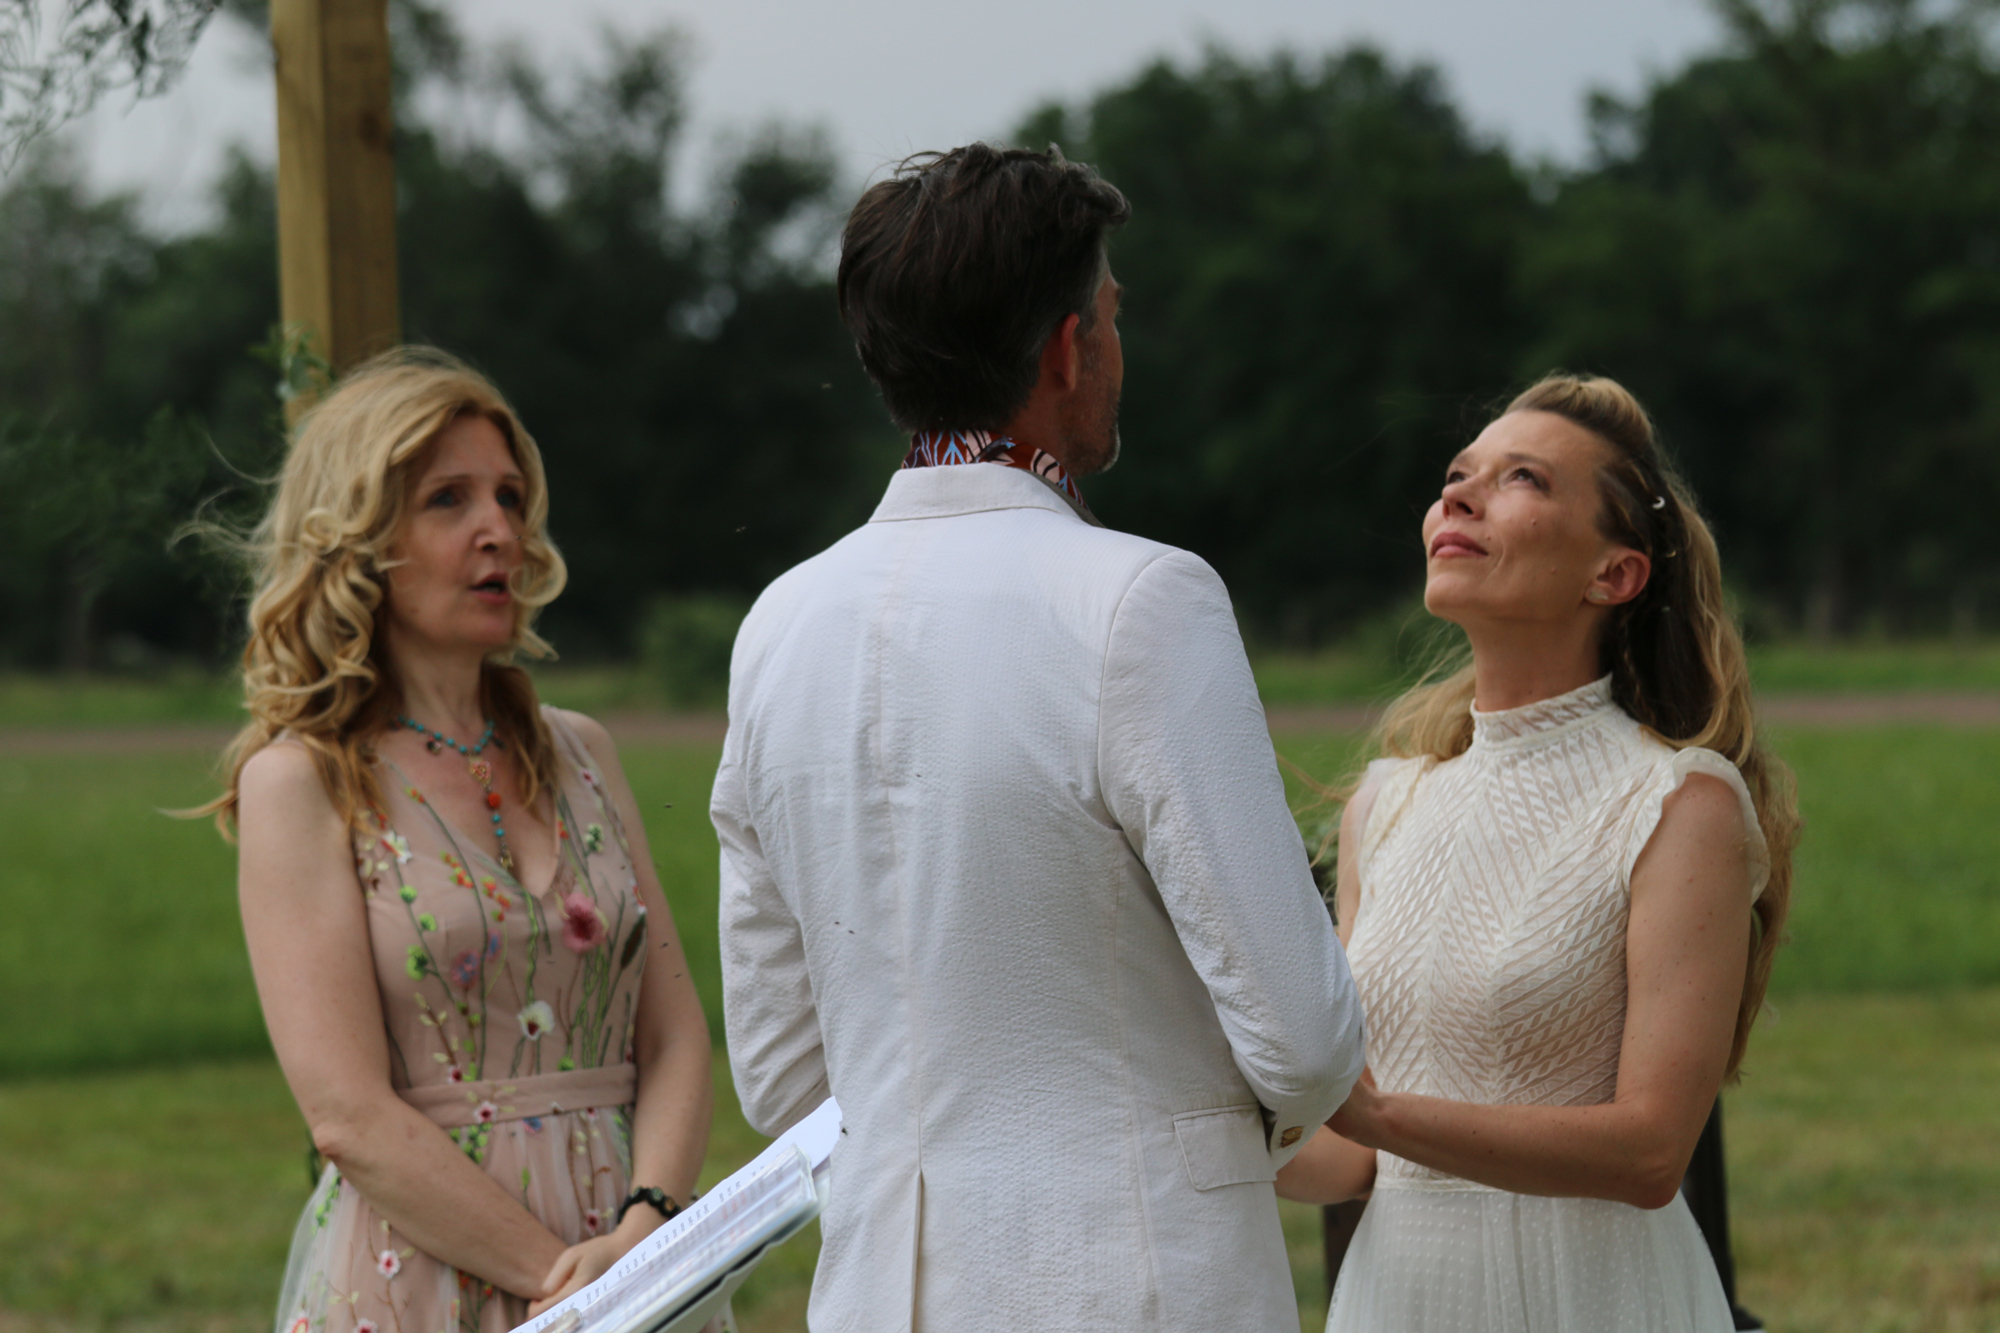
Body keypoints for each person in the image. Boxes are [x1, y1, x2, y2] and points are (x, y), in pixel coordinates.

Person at [712, 144, 1367, 1331]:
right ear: (1069, 348)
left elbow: (778, 1070)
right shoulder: (1140, 602)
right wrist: (1201, 1138)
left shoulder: (777, 625)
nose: (1116, 344)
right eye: (1111, 315)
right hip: (1136, 1285)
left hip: (878, 1294)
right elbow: (1303, 1039)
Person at [202, 349, 721, 1333]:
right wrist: (576, 1293)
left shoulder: (585, 752)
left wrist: (648, 1226)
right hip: (428, 1277)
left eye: (510, 497)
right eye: (449, 499)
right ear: (358, 540)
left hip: (633, 1260)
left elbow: (674, 1035)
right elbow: (348, 1116)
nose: (501, 531)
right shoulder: (302, 782)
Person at [1275, 373, 1798, 1332]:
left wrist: (1382, 1117)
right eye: (1457, 474)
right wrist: (1224, 1113)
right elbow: (1351, 1159)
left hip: (1595, 1299)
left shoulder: (1678, 803)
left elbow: (1649, 1154)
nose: (1459, 496)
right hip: (1399, 1301)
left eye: (1522, 478)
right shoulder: (1383, 807)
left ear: (1615, 575)